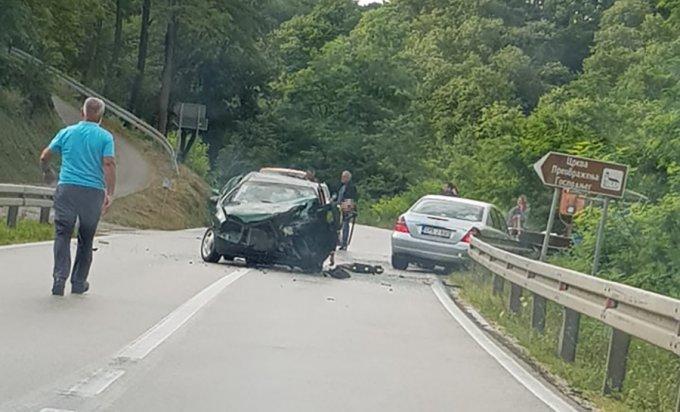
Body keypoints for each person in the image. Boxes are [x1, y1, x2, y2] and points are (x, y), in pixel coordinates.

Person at [40, 97, 116, 296]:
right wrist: (110, 193)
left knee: (63, 233)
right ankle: (78, 282)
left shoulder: (67, 133)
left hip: (67, 190)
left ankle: (59, 278)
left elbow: (44, 156)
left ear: (82, 112)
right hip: (92, 193)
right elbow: (108, 164)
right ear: (101, 117)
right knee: (86, 237)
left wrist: (47, 171)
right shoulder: (105, 137)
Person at [336, 170, 358, 250]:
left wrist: (348, 210)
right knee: (339, 225)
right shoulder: (343, 186)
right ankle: (339, 241)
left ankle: (344, 243)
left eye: (343, 177)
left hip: (346, 207)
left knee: (345, 225)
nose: (342, 178)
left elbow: (351, 199)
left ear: (347, 178)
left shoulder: (351, 187)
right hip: (340, 207)